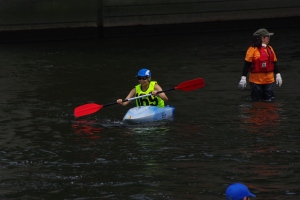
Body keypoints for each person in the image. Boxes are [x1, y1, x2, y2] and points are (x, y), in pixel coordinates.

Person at [238, 28, 283, 101]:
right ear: (262, 38)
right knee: (256, 100)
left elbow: (274, 63)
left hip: (269, 80)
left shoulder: (270, 48)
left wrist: (278, 75)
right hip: (256, 81)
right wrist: (243, 78)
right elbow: (247, 64)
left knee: (270, 100)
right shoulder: (252, 49)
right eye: (268, 36)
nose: (269, 38)